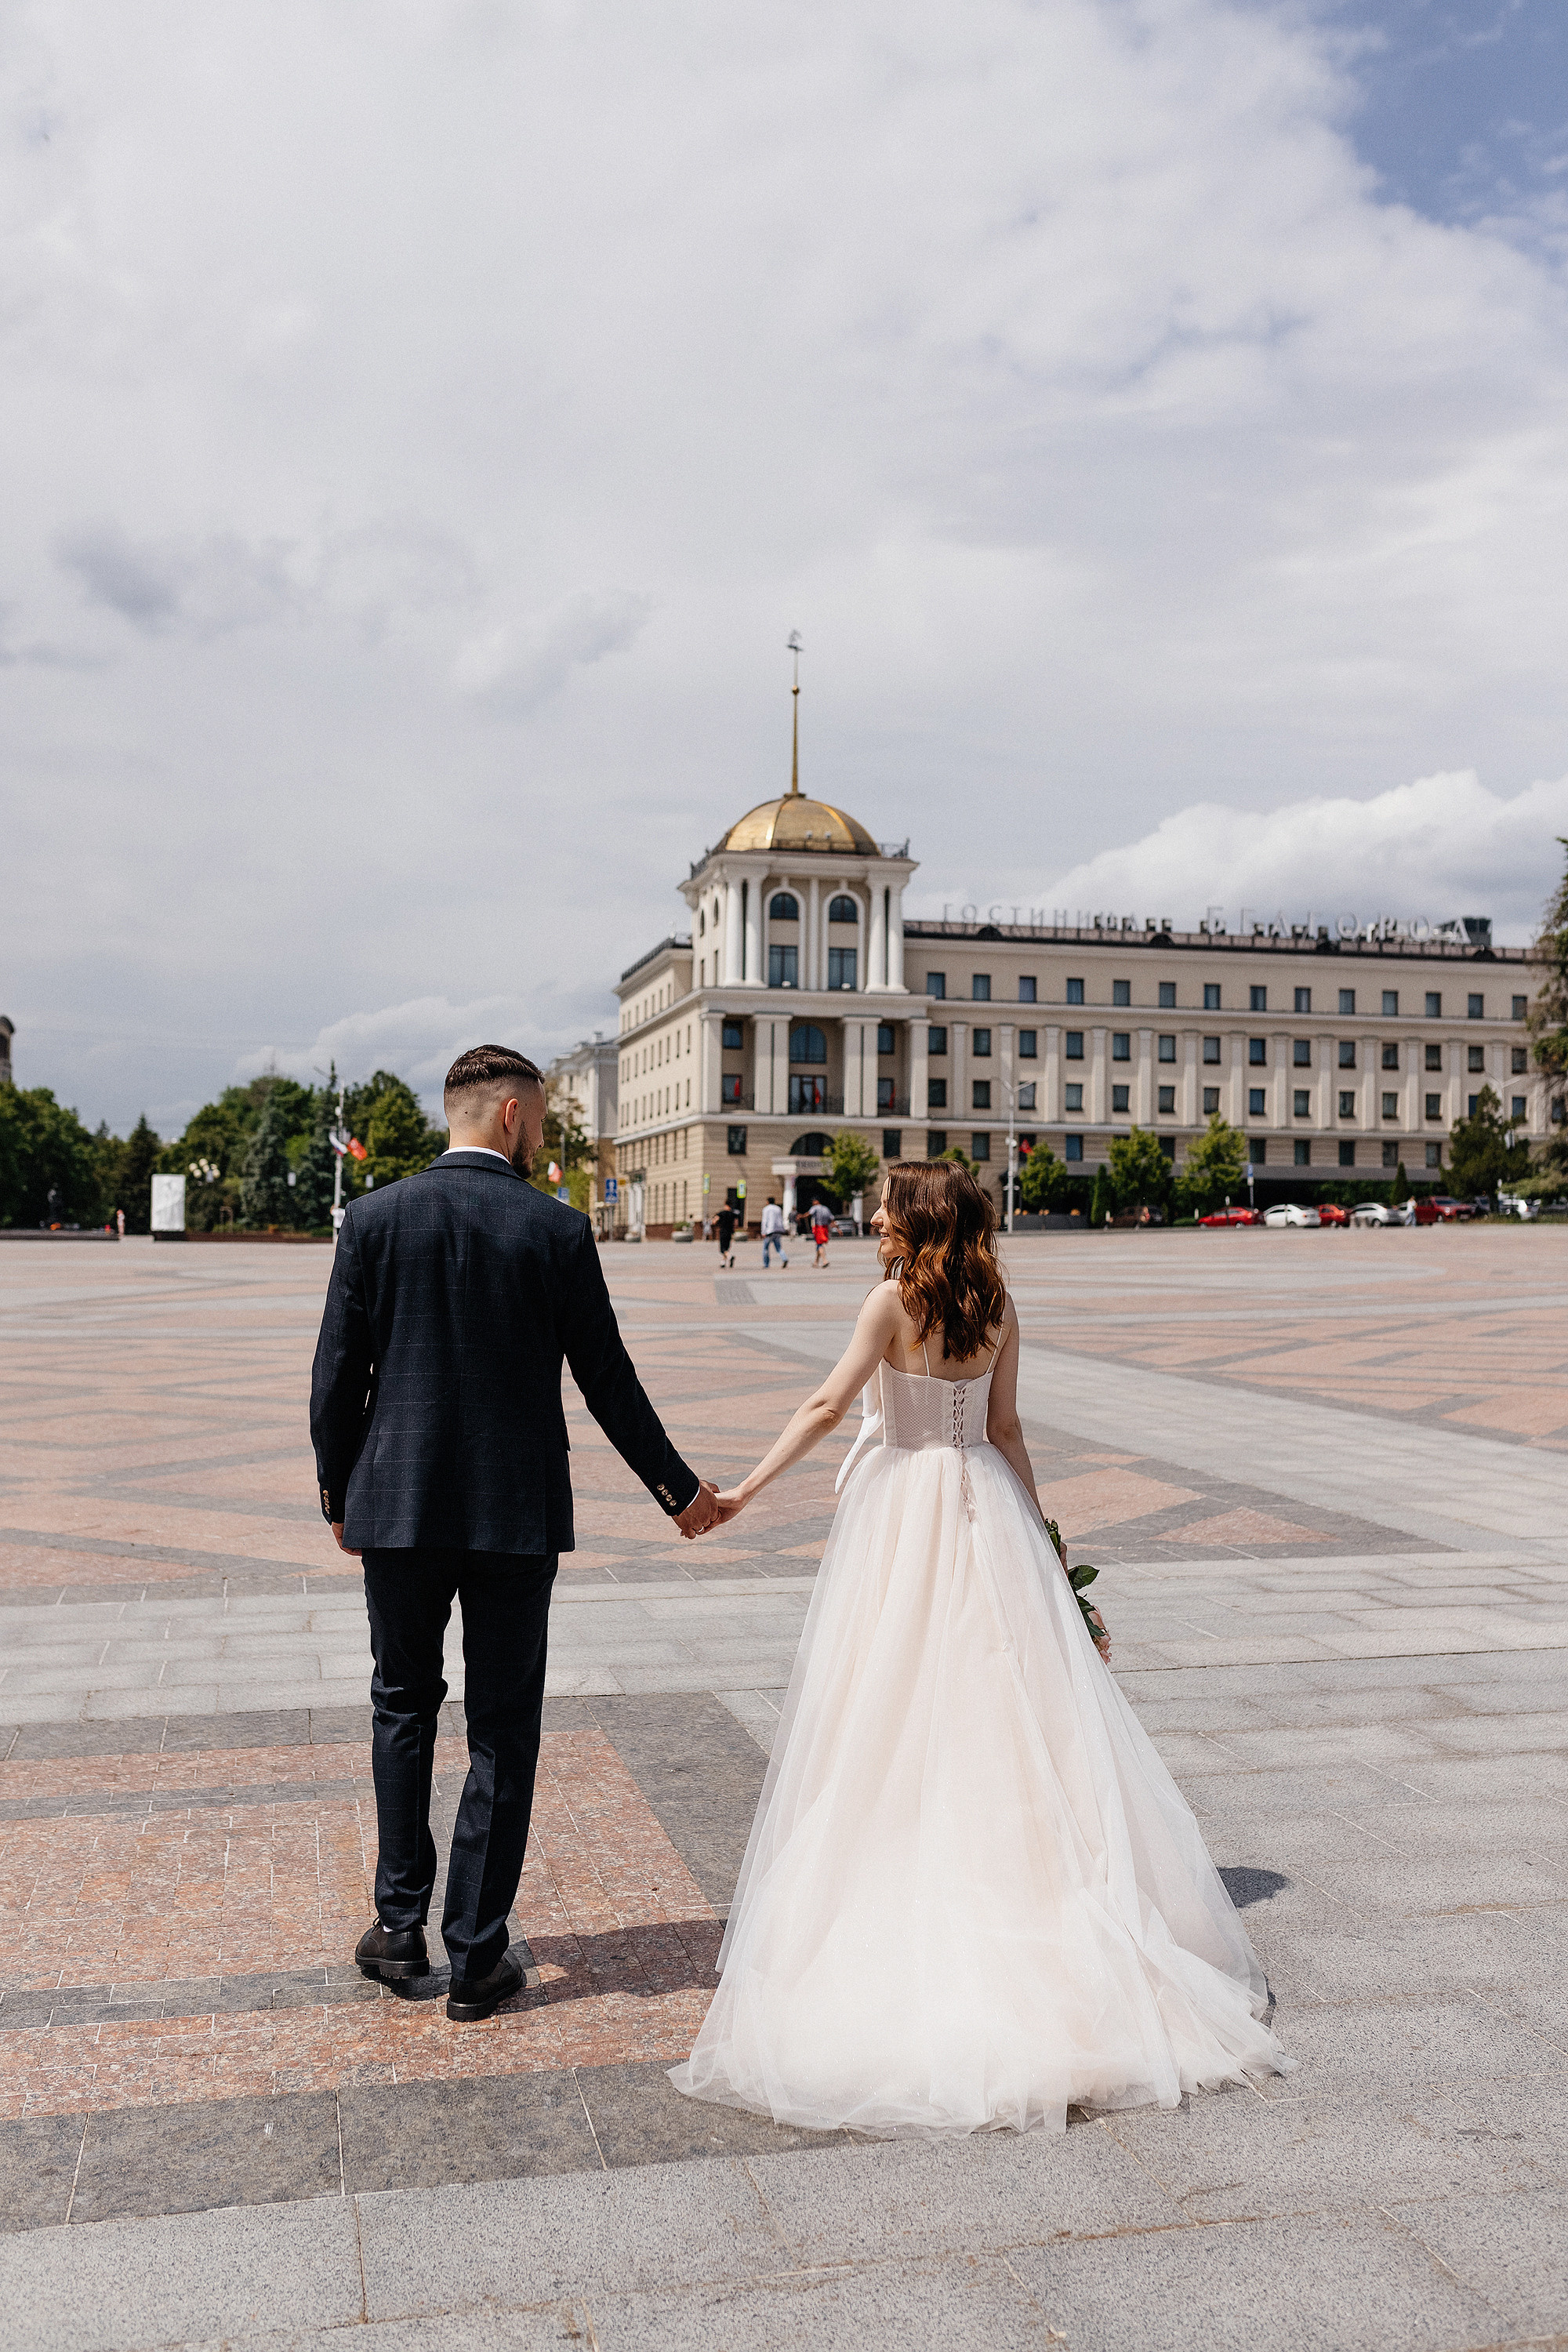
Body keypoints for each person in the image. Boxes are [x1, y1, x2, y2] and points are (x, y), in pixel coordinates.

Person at [669, 1158, 1289, 2136]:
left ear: (917, 1219)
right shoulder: (997, 1304)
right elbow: (1003, 1429)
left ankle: (907, 1879)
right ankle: (1023, 1878)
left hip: (900, 1506)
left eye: (885, 1208)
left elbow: (826, 1407)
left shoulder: (888, 1304)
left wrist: (743, 1490)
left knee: (889, 1695)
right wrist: (1043, 1539)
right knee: (1001, 1696)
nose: (874, 1219)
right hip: (982, 1502)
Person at [310, 1044, 719, 2024]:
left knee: (401, 1705)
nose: (537, 1135)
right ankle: (476, 1954)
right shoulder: (554, 1228)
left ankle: (398, 1924)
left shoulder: (372, 1219)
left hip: (399, 1508)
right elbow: (606, 1377)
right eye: (534, 1119)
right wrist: (677, 1491)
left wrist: (339, 1496)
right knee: (501, 1729)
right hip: (512, 1515)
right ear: (508, 1115)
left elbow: (336, 1376)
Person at [760, 1196, 789, 1269]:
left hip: (769, 1231)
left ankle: (766, 1264)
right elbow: (780, 1219)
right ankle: (784, 1258)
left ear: (768, 1202)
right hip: (778, 1230)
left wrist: (763, 1231)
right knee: (778, 1247)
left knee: (765, 1248)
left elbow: (765, 1221)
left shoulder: (766, 1209)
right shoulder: (778, 1208)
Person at [810, 1199, 831, 1267]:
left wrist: (801, 1216)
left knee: (819, 1244)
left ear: (817, 1201)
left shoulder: (815, 1208)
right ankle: (816, 1262)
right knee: (819, 1245)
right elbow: (831, 1218)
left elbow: (810, 1213)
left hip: (818, 1228)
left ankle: (825, 1261)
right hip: (825, 1228)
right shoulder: (826, 1209)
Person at [716, 1201, 737, 1268]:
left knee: (723, 1249)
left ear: (726, 1205)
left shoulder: (721, 1213)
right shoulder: (733, 1214)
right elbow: (736, 1223)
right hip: (730, 1232)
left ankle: (730, 1257)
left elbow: (715, 1220)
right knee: (727, 1248)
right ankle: (723, 1263)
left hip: (723, 1232)